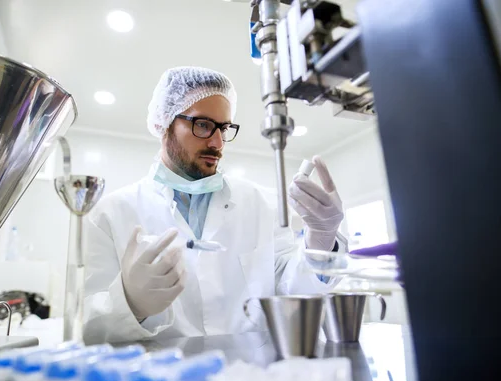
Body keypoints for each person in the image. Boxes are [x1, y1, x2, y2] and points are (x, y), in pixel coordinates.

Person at [83, 66, 345, 344]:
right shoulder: (111, 214)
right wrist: (130, 304)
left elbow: (294, 293)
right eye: (203, 125)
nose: (218, 142)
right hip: (162, 379)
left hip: (250, 374)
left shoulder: (262, 203)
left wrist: (320, 242)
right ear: (164, 124)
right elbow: (87, 327)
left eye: (224, 128)